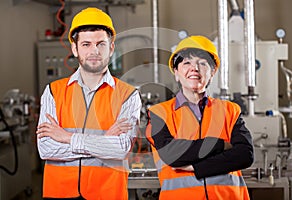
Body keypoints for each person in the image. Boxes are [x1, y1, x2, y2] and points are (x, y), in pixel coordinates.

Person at [36, 7, 142, 199]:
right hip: (59, 193)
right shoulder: (53, 92)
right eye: (86, 44)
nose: (94, 51)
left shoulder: (128, 95)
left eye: (101, 44)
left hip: (107, 193)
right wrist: (103, 144)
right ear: (74, 49)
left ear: (111, 48)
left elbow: (120, 149)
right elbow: (46, 148)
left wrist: (67, 137)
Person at [146, 35, 254, 199]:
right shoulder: (159, 113)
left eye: (202, 63)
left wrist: (198, 167)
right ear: (176, 72)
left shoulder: (230, 111)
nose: (194, 68)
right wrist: (221, 146)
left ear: (212, 73)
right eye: (186, 63)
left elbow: (245, 155)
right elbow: (171, 154)